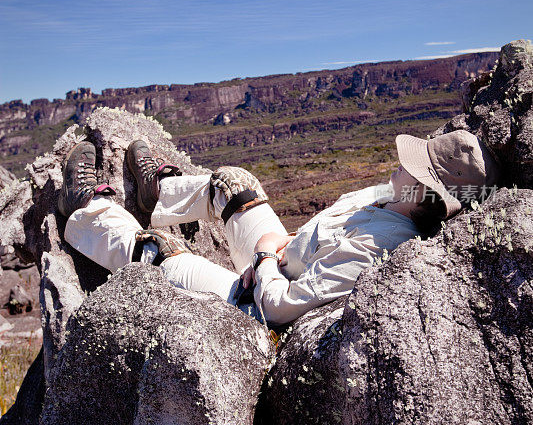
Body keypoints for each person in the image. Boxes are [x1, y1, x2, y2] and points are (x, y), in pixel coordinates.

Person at [58, 130, 500, 328]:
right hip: (281, 255)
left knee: (159, 255)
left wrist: (266, 260)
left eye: (413, 165)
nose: (401, 163)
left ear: (423, 189)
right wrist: (279, 244)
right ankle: (157, 195)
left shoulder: (379, 247)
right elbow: (328, 232)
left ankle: (86, 209)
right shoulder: (394, 198)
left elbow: (285, 309)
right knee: (235, 184)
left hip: (254, 302)